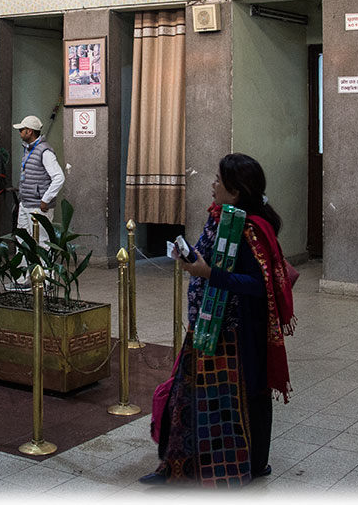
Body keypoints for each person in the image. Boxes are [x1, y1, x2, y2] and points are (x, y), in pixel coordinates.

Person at [140, 153, 296, 488]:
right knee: (188, 393)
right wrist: (192, 259)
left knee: (240, 399)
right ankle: (177, 462)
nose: (212, 185)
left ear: (236, 191)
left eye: (218, 180)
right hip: (206, 322)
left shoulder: (252, 228)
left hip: (235, 331)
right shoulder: (220, 217)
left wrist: (209, 273)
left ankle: (249, 465)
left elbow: (258, 285)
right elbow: (211, 259)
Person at [13, 114, 65, 287]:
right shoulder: (28, 149)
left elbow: (59, 177)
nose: (20, 132)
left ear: (29, 131)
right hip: (26, 203)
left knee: (42, 243)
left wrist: (46, 199)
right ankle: (23, 279)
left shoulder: (45, 151)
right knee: (22, 241)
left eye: (22, 130)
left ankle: (46, 280)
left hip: (38, 207)